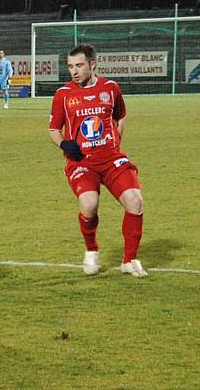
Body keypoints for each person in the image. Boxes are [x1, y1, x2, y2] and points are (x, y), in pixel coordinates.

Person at [48, 44, 147, 278]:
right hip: (82, 162)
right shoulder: (63, 94)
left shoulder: (111, 88)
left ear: (92, 65)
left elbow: (120, 116)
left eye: (79, 65)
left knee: (135, 200)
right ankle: (91, 250)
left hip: (112, 159)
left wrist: (116, 142)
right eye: (70, 66)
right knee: (89, 205)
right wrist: (64, 144)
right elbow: (53, 129)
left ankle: (129, 260)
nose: (74, 71)